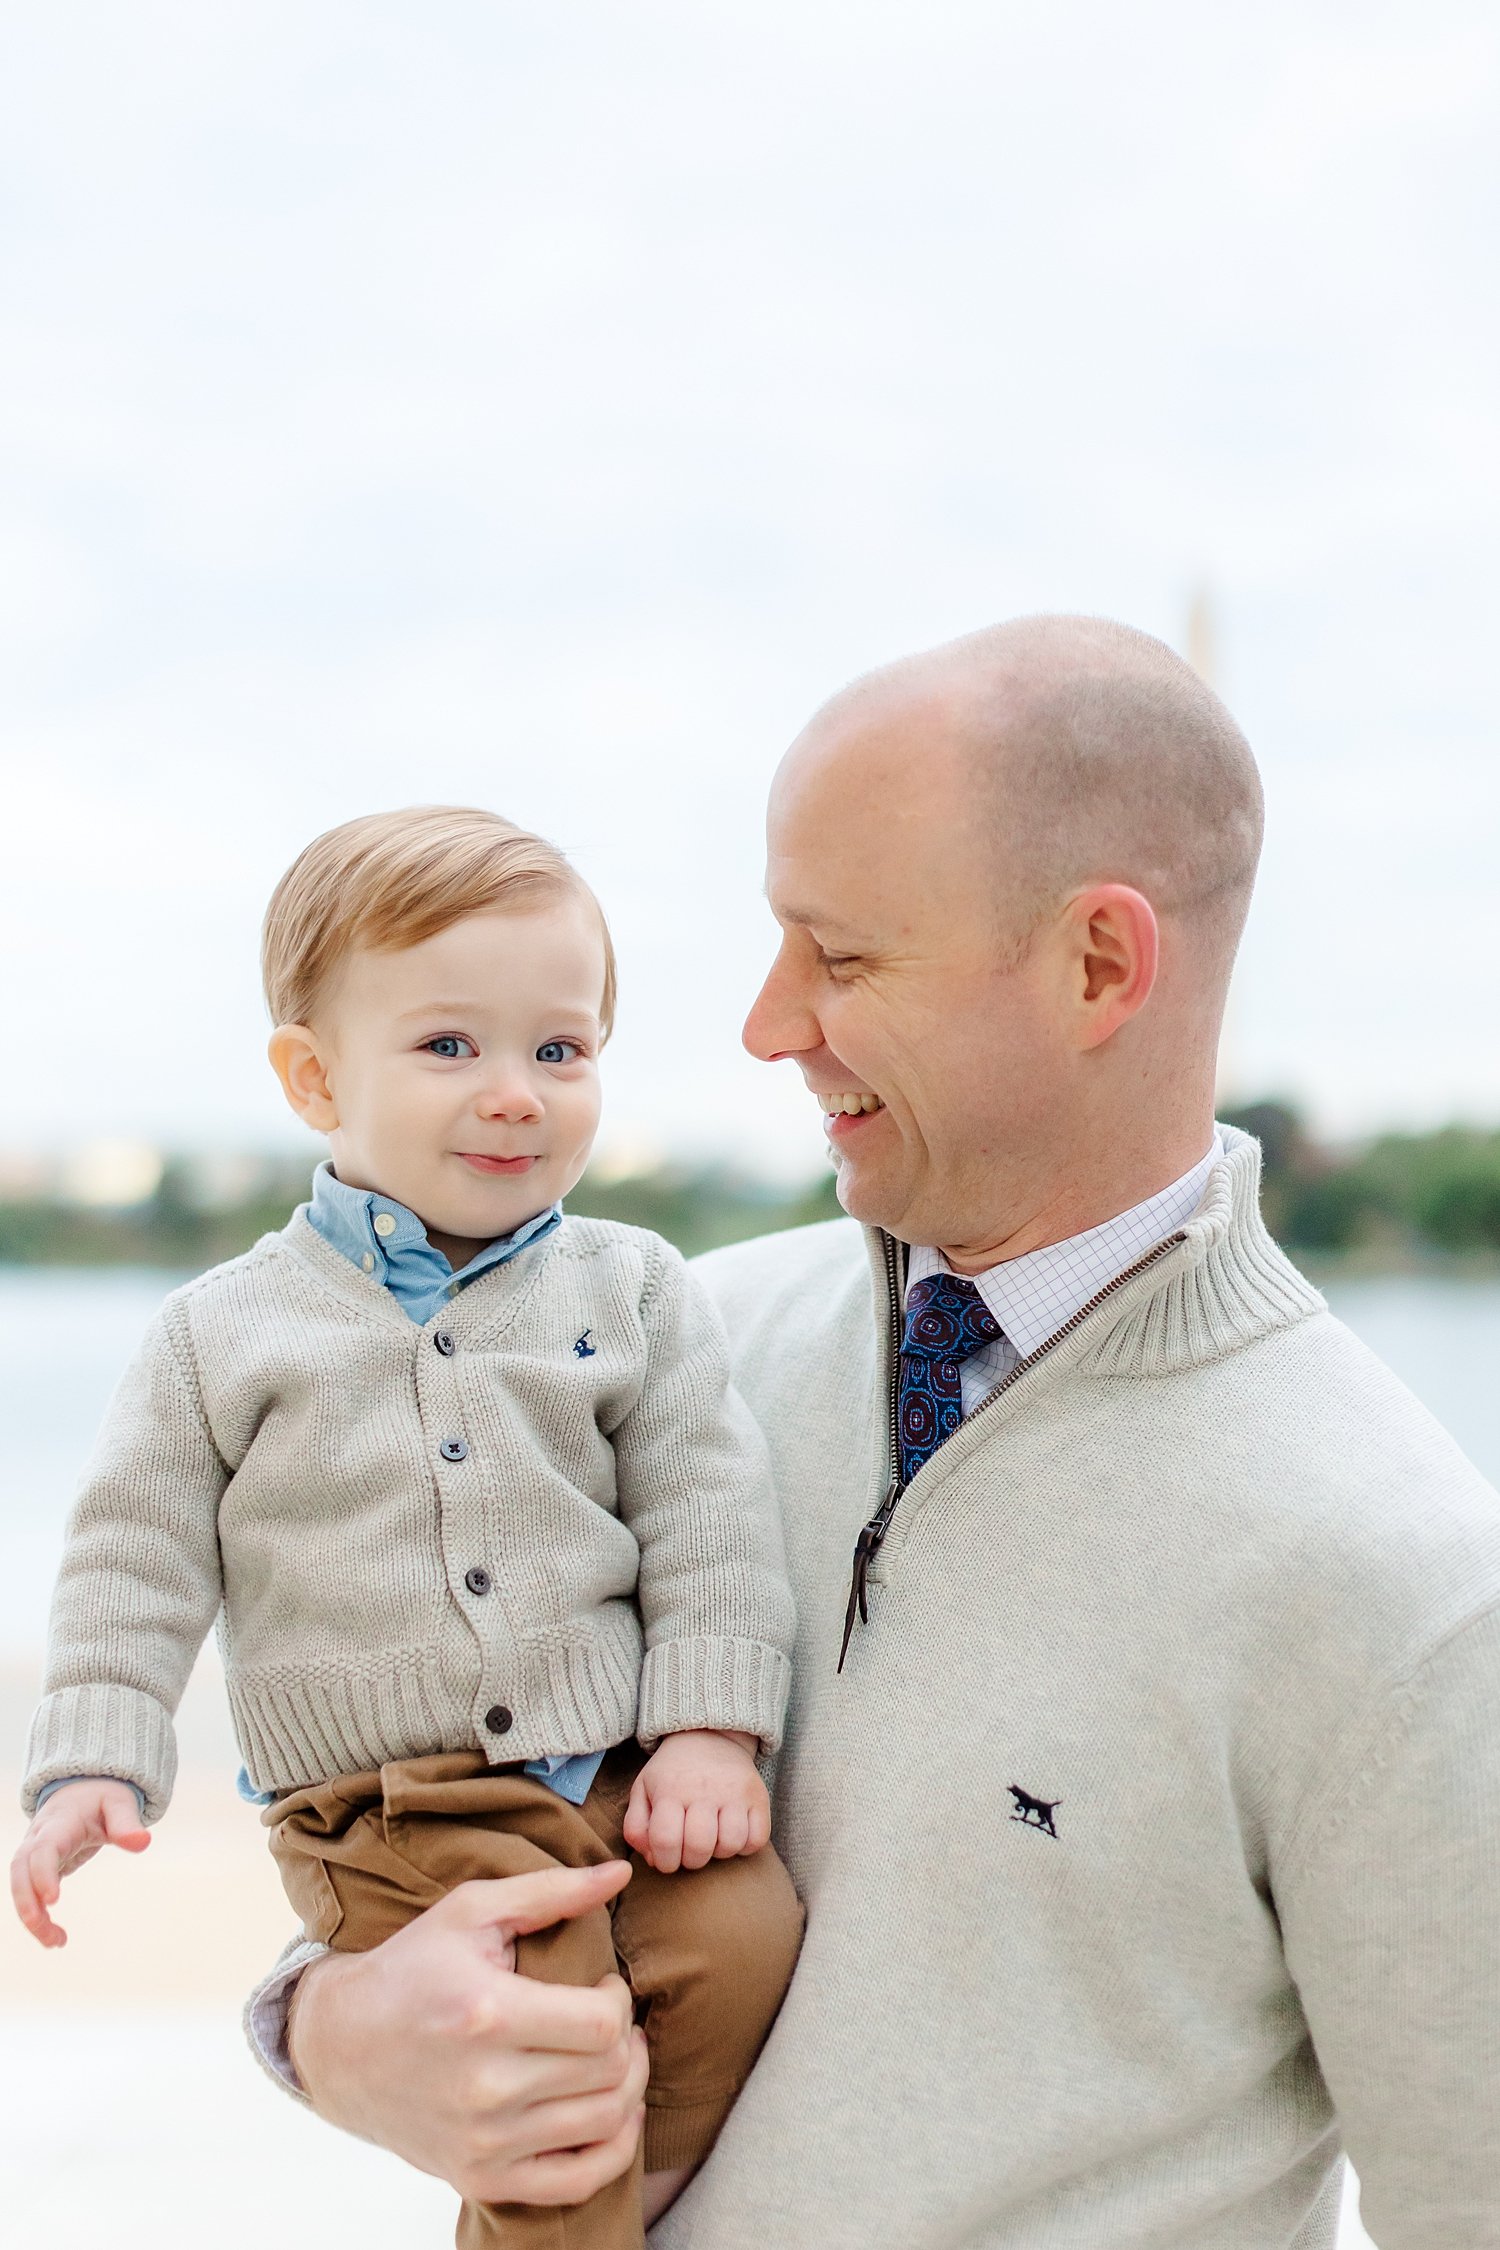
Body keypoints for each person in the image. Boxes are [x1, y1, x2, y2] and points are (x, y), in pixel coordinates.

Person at [249, 621, 1500, 2250]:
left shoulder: (1404, 1582)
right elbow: (412, 1795)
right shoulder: (656, 1344)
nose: (768, 1023)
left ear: (1100, 967)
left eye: (840, 957)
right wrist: (329, 2030)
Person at [12, 806, 803, 2250]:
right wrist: (92, 1756)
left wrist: (708, 1729)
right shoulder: (222, 1333)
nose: (515, 1093)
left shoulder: (633, 1289)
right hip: (392, 1802)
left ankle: (642, 2193)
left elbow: (705, 1514)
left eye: (560, 1050)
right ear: (316, 1077)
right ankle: (566, 2210)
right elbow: (132, 1557)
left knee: (742, 1931)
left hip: (607, 1759)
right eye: (451, 1047)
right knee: (541, 2003)